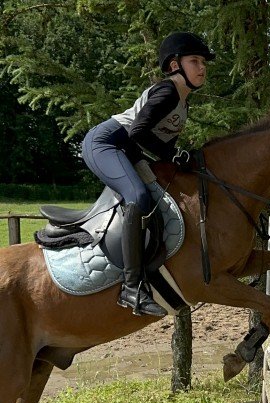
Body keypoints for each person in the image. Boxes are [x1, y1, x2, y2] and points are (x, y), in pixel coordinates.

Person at [81, 32, 215, 316]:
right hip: (106, 143)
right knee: (138, 196)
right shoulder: (168, 92)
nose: (202, 67)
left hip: (128, 150)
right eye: (195, 61)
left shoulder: (182, 100)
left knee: (161, 193)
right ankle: (131, 289)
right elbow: (138, 132)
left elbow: (160, 144)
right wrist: (172, 154)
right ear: (175, 65)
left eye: (204, 62)